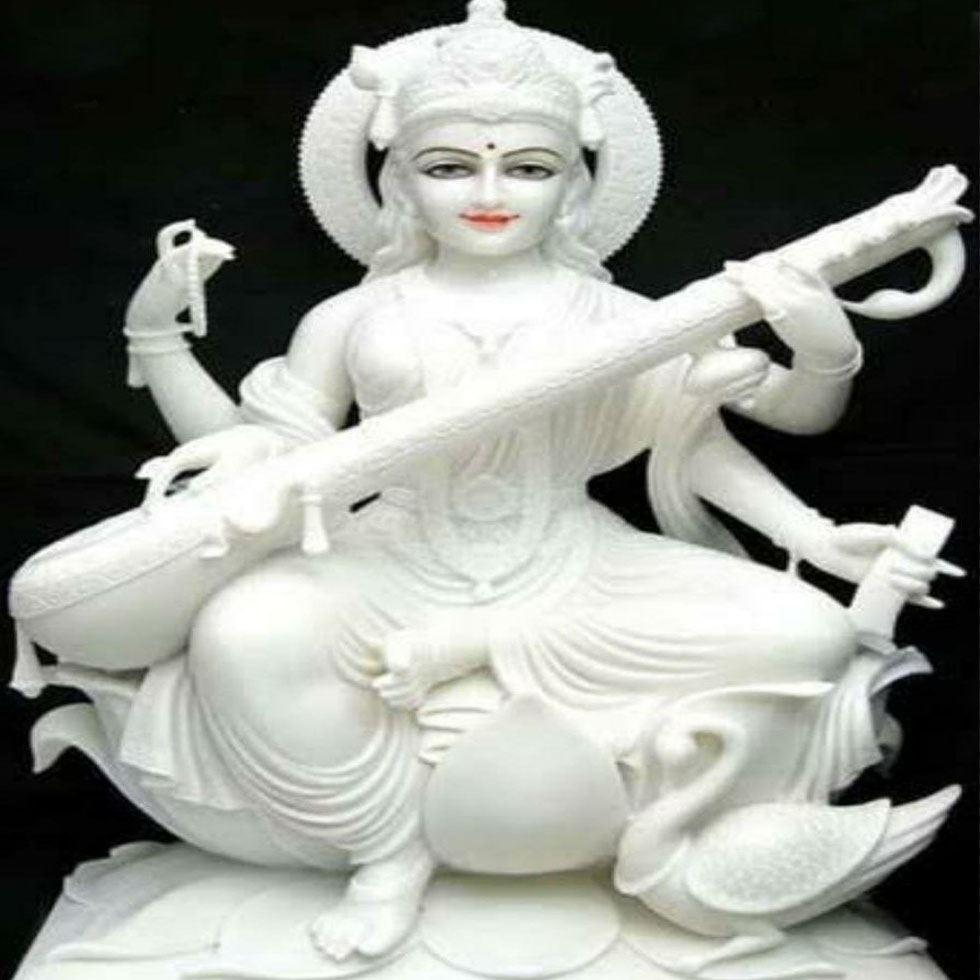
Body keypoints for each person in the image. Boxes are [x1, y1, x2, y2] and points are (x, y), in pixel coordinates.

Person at [10, 0, 948, 963]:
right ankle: (387, 852)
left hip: (574, 563)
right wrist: (158, 339)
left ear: (574, 186)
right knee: (244, 630)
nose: (489, 192)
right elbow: (274, 461)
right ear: (400, 184)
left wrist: (817, 452)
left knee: (808, 631)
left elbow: (705, 439)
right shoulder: (355, 317)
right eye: (450, 167)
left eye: (528, 168)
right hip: (389, 558)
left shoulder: (622, 317)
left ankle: (488, 653)